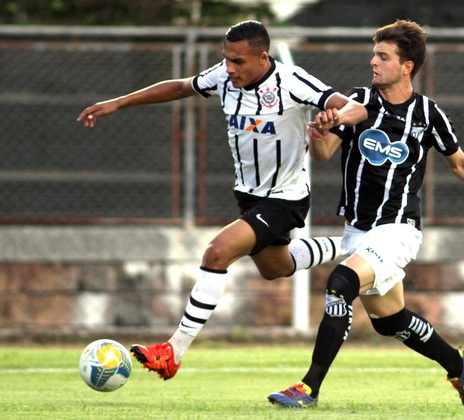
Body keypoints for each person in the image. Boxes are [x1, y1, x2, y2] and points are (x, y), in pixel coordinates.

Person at [77, 20, 366, 380]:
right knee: (275, 267)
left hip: (284, 198)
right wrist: (119, 103)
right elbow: (182, 86)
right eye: (226, 59)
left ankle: (173, 351)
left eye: (238, 61)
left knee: (217, 252)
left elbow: (357, 108)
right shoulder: (224, 78)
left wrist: (334, 116)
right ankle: (354, 246)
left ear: (263, 57)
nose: (230, 68)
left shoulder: (292, 81)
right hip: (248, 195)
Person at [268, 20, 464, 408]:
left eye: (382, 56)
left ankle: (309, 388)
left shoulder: (428, 114)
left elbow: (458, 162)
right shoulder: (357, 103)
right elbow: (324, 156)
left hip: (398, 231)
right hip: (358, 231)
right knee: (389, 321)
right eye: (374, 54)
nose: (373, 62)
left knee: (341, 282)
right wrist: (320, 132)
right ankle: (459, 364)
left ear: (406, 65)